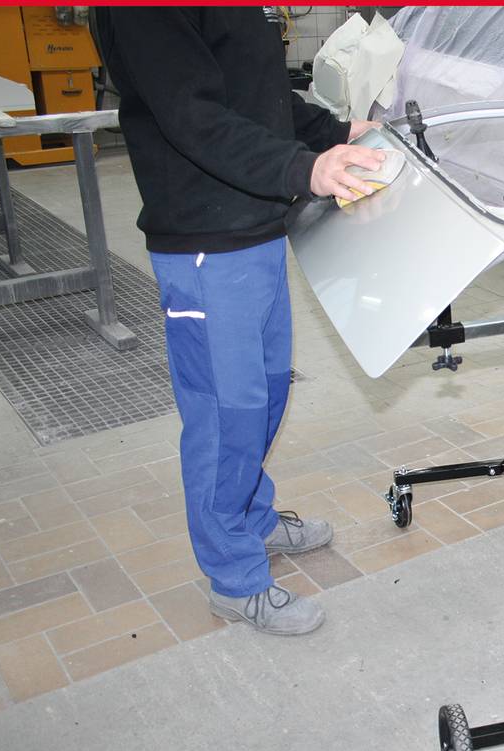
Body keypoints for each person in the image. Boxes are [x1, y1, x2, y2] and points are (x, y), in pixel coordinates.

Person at [95, 7, 386, 635]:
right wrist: (304, 168)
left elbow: (256, 92)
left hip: (253, 227)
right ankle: (235, 577)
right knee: (225, 416)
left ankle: (253, 517)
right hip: (203, 241)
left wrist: (335, 131)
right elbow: (192, 115)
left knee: (264, 395)